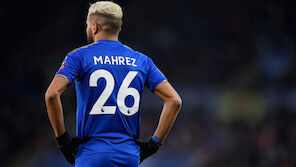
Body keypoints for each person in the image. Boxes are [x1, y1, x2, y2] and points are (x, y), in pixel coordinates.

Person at [45, 1, 182, 166]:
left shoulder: (79, 56)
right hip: (129, 155)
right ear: (118, 28)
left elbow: (52, 95)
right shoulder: (141, 61)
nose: (87, 29)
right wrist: (154, 144)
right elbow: (174, 100)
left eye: (87, 25)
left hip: (91, 154)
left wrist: (63, 141)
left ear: (94, 27)